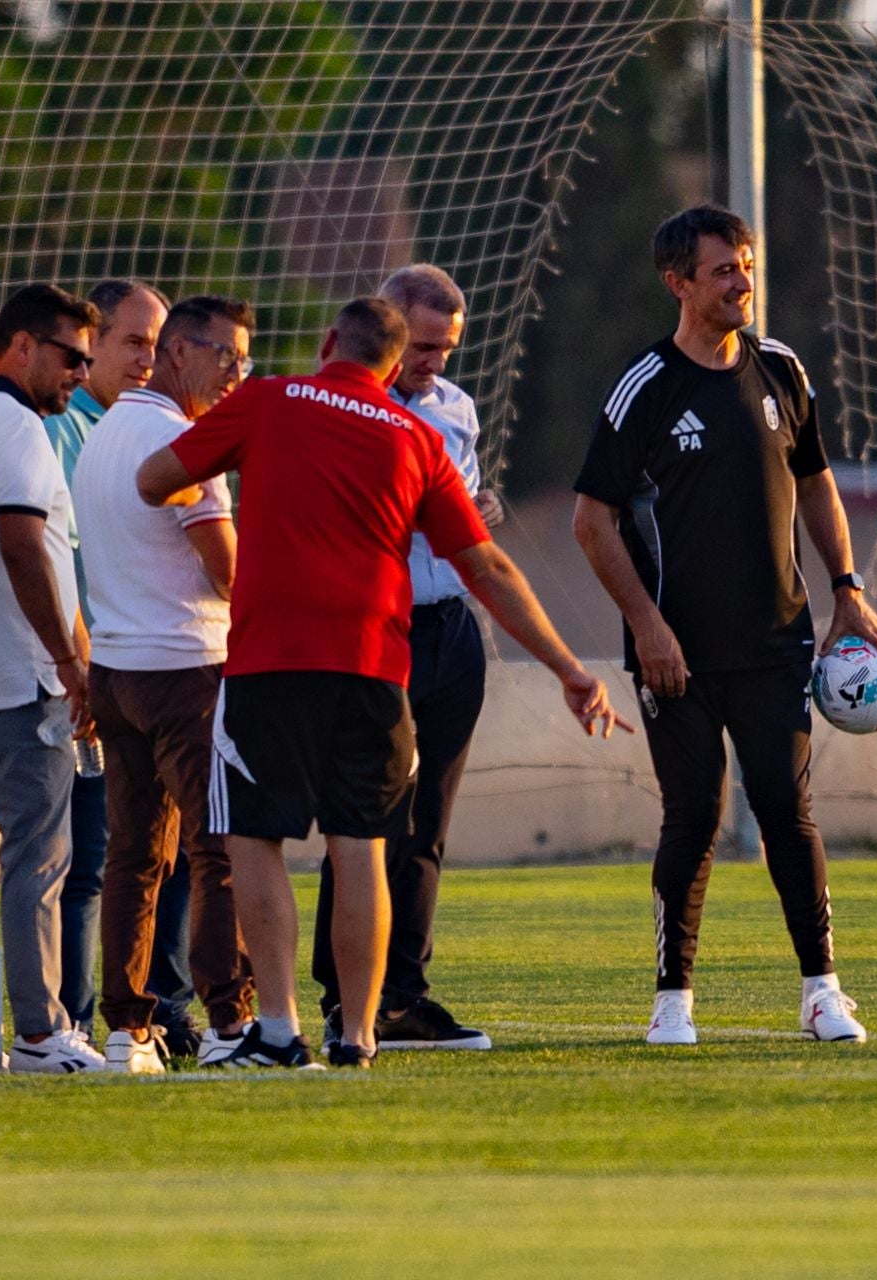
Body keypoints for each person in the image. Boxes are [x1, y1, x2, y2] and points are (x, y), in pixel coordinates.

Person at [136, 297, 629, 1070]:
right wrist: (568, 668)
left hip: (271, 662)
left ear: (330, 340)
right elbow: (486, 566)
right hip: (375, 669)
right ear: (393, 366)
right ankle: (359, 1035)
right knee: (361, 846)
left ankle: (277, 1031)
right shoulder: (417, 437)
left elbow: (154, 480)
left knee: (253, 839)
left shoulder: (267, 400)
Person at [571, 204, 877, 1048]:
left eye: (747, 265)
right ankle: (672, 1002)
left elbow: (817, 481)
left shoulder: (782, 369)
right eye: (723, 270)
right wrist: (647, 627)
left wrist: (848, 589)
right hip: (674, 654)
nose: (742, 282)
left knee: (787, 809)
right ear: (678, 283)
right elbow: (591, 521)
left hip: (776, 641)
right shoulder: (644, 387)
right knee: (692, 814)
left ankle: (823, 993)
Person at [310, 265, 499, 1052]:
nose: (435, 362)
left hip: (451, 626)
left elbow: (464, 508)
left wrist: (476, 510)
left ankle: (404, 995)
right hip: (378, 629)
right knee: (361, 821)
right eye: (423, 346)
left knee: (427, 826)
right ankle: (342, 995)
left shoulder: (456, 407)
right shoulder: (345, 407)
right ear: (386, 329)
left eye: (447, 348)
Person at [75, 294, 257, 1074]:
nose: (236, 372)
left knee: (133, 855)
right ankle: (229, 1023)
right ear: (178, 351)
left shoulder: (104, 432)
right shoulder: (184, 443)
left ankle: (128, 1029)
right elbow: (227, 574)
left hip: (117, 667)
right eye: (226, 355)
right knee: (221, 849)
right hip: (185, 668)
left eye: (245, 359)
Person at [0, 283, 106, 1073]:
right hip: (18, 677)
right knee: (39, 859)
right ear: (22, 347)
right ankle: (40, 1031)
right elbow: (23, 546)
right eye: (71, 357)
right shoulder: (16, 426)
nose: (81, 373)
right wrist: (70, 662)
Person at [40, 278, 198, 1050]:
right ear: (92, 344)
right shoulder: (61, 430)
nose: (146, 358)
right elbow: (53, 556)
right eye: (132, 342)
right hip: (92, 671)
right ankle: (72, 1017)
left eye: (156, 345)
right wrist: (78, 661)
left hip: (156, 664)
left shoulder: (154, 428)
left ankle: (163, 1006)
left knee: (175, 852)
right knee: (93, 861)